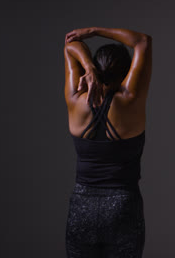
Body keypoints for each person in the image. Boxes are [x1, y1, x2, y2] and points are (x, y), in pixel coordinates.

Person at [63, 27, 152, 257]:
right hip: (123, 206)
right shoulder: (131, 100)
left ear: (96, 70)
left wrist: (88, 66)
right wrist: (95, 31)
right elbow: (142, 41)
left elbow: (70, 46)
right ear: (126, 73)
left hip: (82, 207)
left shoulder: (75, 99)